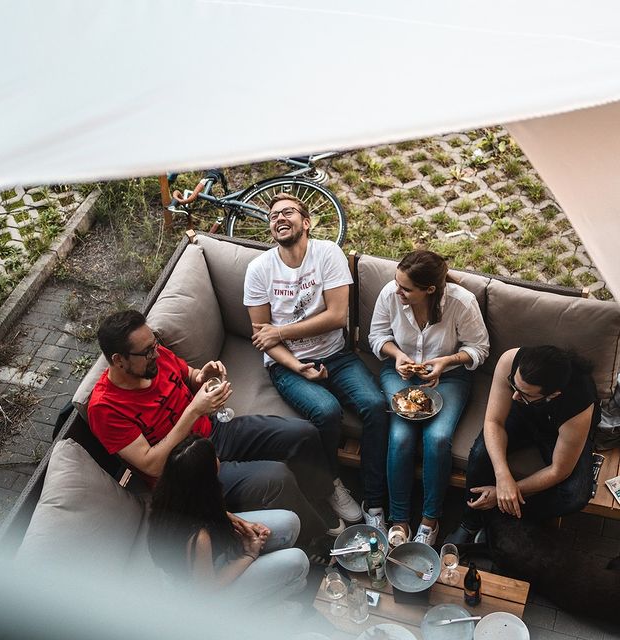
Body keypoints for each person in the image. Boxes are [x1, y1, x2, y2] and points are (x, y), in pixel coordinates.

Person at [88, 309, 343, 545]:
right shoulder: (105, 408)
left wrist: (203, 376)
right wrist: (195, 409)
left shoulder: (154, 356)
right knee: (276, 478)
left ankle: (321, 497)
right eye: (147, 351)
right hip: (188, 472)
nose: (155, 352)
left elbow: (188, 374)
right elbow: (151, 464)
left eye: (154, 344)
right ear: (118, 360)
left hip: (215, 430)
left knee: (303, 434)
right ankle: (317, 541)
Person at [243, 193, 389, 530]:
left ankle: (375, 499)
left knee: (375, 405)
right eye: (273, 215)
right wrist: (295, 365)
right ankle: (331, 485)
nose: (279, 217)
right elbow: (263, 338)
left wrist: (279, 332)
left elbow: (338, 316)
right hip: (287, 364)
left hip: (337, 355)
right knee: (326, 412)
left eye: (288, 212)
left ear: (306, 222)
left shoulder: (326, 253)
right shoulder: (259, 270)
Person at [368, 250, 489, 546]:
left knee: (437, 438)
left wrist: (446, 361)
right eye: (398, 284)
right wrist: (396, 356)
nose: (397, 291)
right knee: (400, 436)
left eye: (406, 288)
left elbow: (479, 349)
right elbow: (376, 336)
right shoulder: (390, 293)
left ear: (430, 290)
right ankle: (399, 520)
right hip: (400, 373)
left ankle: (429, 520)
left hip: (449, 376)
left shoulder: (461, 302)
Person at [446, 345, 600, 544]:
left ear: (552, 395)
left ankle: (505, 520)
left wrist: (506, 493)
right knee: (480, 452)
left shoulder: (579, 403)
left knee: (576, 495)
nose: (514, 396)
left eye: (524, 393)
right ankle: (470, 522)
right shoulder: (510, 360)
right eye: (513, 386)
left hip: (558, 430)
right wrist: (503, 478)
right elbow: (494, 422)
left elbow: (559, 470)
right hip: (523, 416)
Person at [148, 434, 309, 607]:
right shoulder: (198, 538)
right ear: (205, 477)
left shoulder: (175, 492)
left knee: (290, 522)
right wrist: (250, 554)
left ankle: (274, 581)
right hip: (203, 594)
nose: (218, 459)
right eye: (214, 457)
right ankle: (266, 607)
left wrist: (243, 524)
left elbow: (204, 510)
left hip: (215, 552)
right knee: (298, 562)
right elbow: (206, 588)